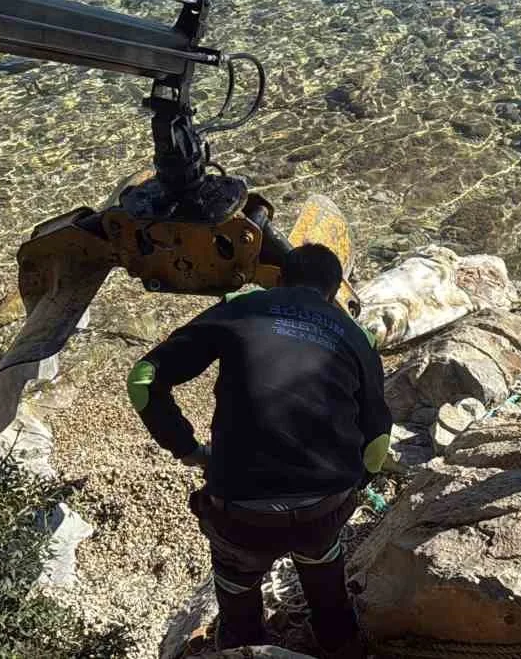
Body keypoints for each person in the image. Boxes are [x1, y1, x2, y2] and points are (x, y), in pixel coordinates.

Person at [127, 243, 391, 658]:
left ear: (279, 279)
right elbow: (377, 442)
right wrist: (352, 485)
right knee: (325, 571)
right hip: (323, 507)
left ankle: (246, 641)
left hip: (242, 510)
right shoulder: (356, 336)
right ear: (335, 289)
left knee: (238, 591)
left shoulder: (243, 307)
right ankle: (340, 642)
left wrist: (189, 449)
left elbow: (143, 378)